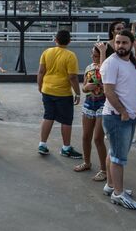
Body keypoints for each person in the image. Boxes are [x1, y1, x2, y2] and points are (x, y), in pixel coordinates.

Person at [100, 30, 136, 210]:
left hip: (129, 116)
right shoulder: (111, 63)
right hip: (117, 117)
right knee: (118, 158)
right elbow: (108, 91)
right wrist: (123, 111)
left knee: (114, 152)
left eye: (124, 42)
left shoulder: (131, 61)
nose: (120, 46)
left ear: (131, 44)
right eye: (117, 42)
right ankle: (118, 193)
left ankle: (110, 185)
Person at [37, 29, 82, 158]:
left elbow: (41, 71)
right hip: (63, 93)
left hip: (47, 89)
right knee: (66, 120)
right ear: (69, 41)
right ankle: (66, 148)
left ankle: (42, 144)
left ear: (55, 40)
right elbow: (72, 77)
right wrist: (78, 94)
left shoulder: (47, 52)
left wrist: (40, 86)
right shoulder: (70, 55)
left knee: (48, 116)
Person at [73, 45, 112, 181]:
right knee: (85, 136)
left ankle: (104, 169)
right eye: (92, 55)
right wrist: (86, 87)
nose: (93, 58)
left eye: (97, 55)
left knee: (98, 138)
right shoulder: (89, 67)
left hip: (103, 103)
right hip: (90, 102)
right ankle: (87, 162)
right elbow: (84, 88)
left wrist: (102, 52)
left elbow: (104, 72)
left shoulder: (108, 66)